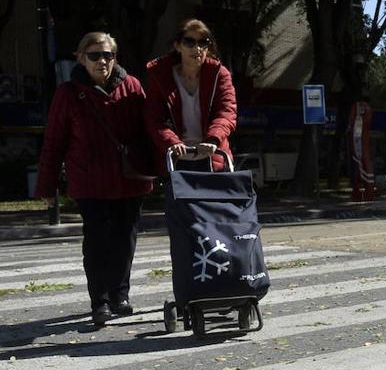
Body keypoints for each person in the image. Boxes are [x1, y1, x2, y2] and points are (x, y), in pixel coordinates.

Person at [35, 32, 154, 328]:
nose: (102, 61)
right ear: (80, 58)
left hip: (129, 181)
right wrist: (47, 186)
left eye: (108, 55)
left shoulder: (132, 87)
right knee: (98, 242)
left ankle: (120, 295)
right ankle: (99, 301)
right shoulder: (68, 93)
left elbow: (149, 130)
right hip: (90, 183)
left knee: (125, 240)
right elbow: (53, 142)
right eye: (95, 55)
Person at [143, 19, 237, 173]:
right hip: (176, 160)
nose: (197, 48)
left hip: (213, 158)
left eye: (203, 43)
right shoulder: (161, 75)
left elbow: (227, 112)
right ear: (177, 46)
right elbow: (154, 118)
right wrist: (171, 142)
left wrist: (213, 139)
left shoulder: (220, 74)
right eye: (189, 42)